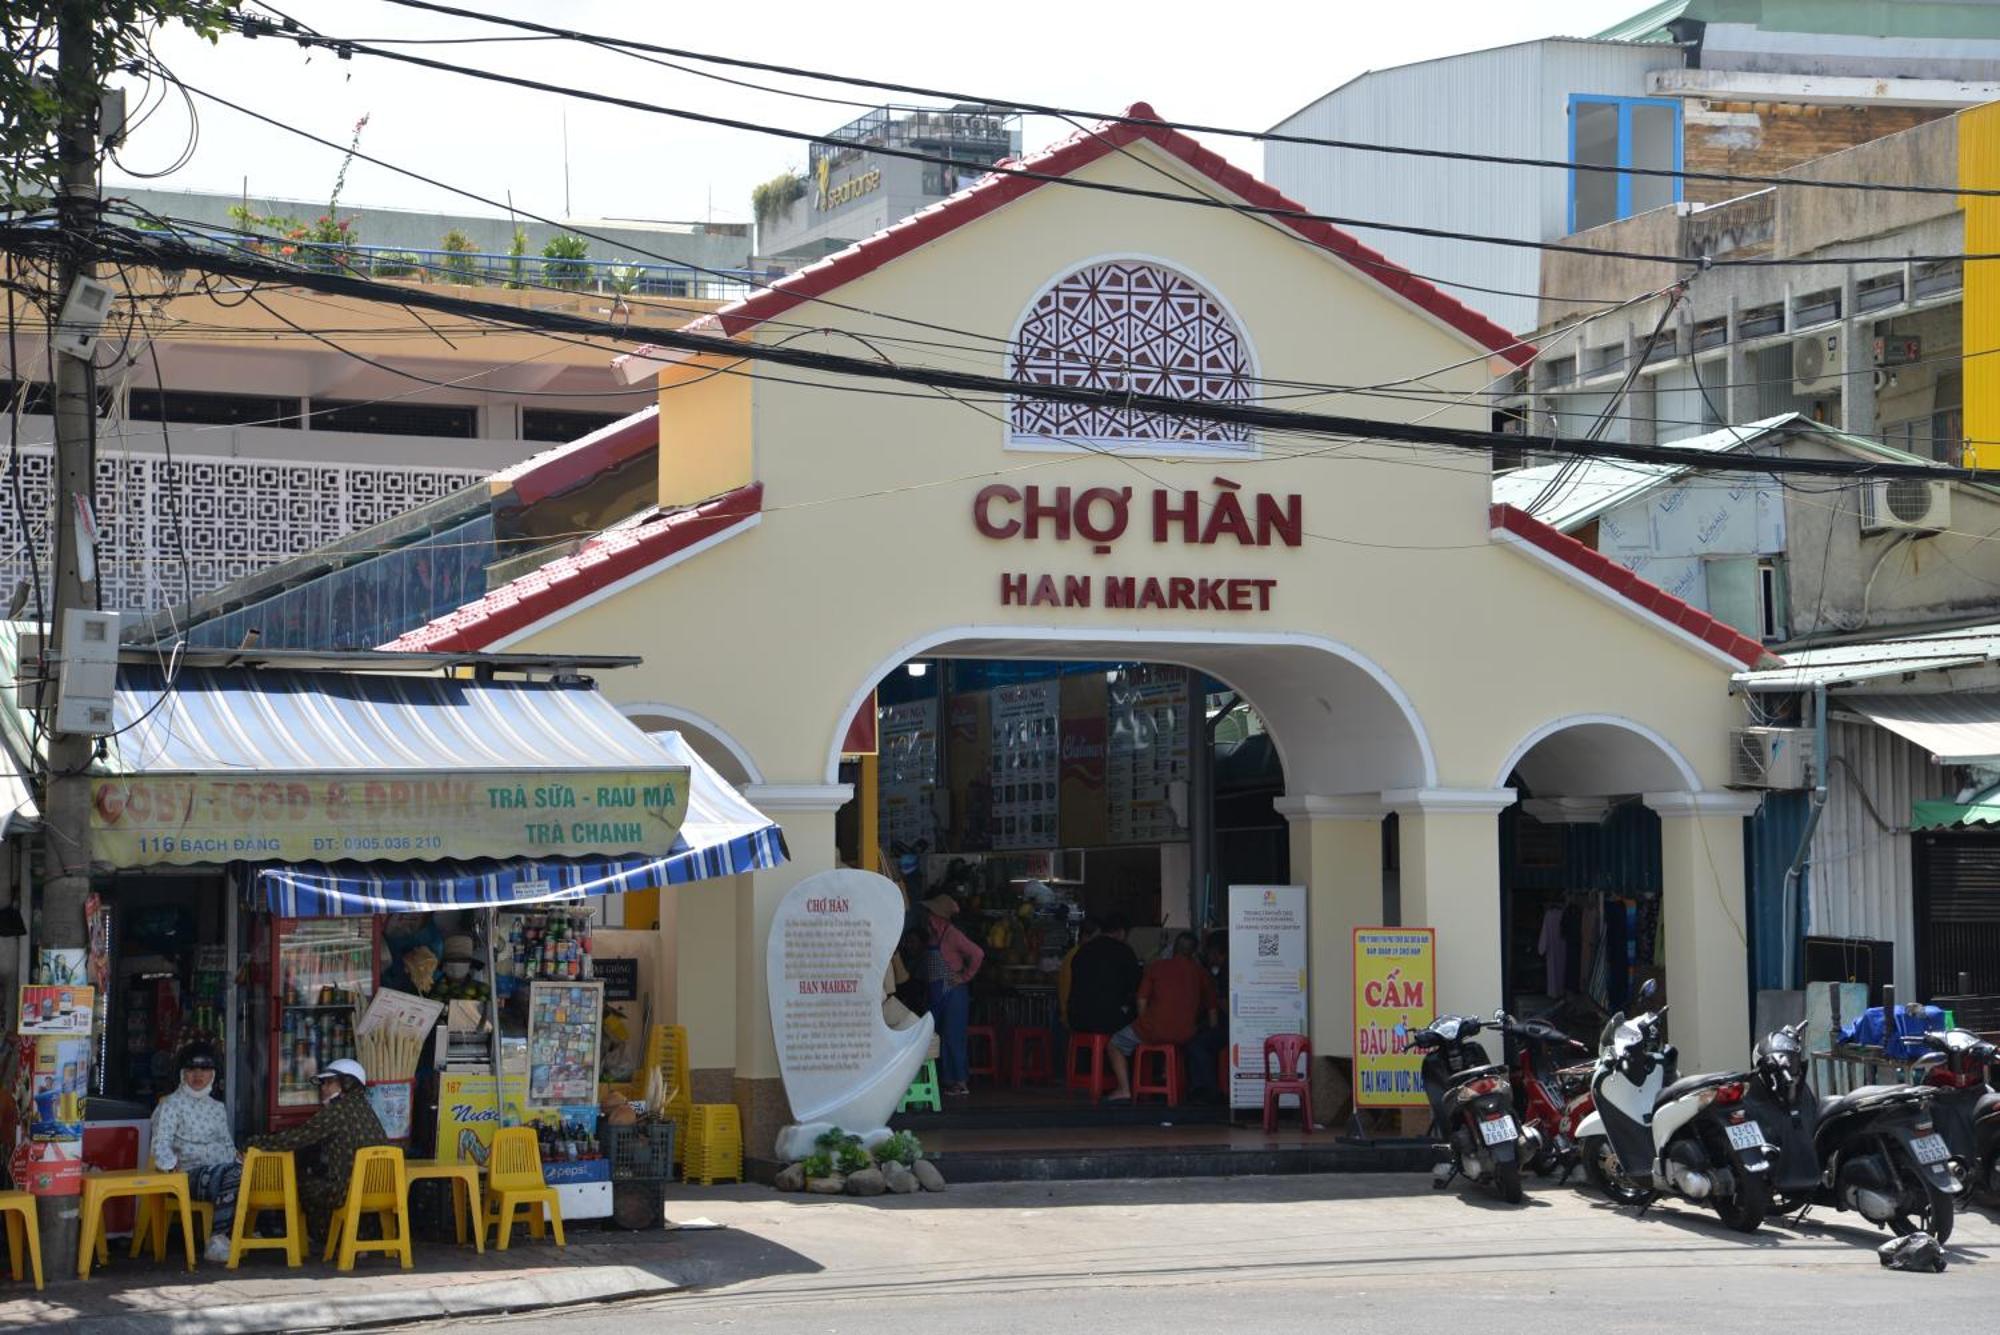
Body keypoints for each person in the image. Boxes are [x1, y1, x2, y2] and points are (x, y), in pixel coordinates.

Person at [245, 1058, 388, 1244]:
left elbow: (296, 1138)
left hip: (344, 1191)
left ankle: (318, 1238)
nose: (323, 1088)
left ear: (347, 1084)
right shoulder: (367, 1110)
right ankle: (354, 1236)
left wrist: (254, 1142)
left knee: (298, 1183)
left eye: (329, 1082)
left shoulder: (337, 1111)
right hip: (376, 1192)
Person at [149, 1043, 241, 1264]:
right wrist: (171, 1166)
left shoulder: (217, 1108)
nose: (198, 1075)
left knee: (244, 1172)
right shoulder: (171, 1105)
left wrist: (240, 1157)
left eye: (205, 1069)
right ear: (182, 1074)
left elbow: (227, 1145)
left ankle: (235, 1236)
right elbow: (160, 1144)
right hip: (187, 1175)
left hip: (223, 1171)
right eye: (191, 1070)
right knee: (235, 1176)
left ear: (213, 1074)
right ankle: (218, 1239)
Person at [1107, 932, 1220, 1103]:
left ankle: (1124, 1090)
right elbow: (1213, 1015)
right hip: (1186, 1034)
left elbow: (1141, 1000)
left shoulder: (1157, 967)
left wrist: (1144, 1023)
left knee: (1115, 1043)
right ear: (1194, 953)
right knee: (1177, 1046)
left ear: (1173, 948)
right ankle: (1168, 1074)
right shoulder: (1202, 973)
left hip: (1154, 1029)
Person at [1066, 914, 1142, 1094]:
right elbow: (1136, 987)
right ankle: (1125, 1080)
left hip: (1077, 1018)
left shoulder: (1082, 951)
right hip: (1108, 1019)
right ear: (1121, 933)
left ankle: (1091, 1074)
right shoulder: (1124, 951)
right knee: (1137, 1027)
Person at [921, 893, 985, 1097]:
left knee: (953, 1037)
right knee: (938, 1036)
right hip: (937, 993)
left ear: (938, 915)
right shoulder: (934, 935)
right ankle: (947, 1080)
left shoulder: (952, 934)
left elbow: (977, 953)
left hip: (953, 993)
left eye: (930, 912)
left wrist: (965, 976)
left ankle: (960, 1082)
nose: (927, 917)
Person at [1189, 931, 1230, 1102]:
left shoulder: (1226, 972)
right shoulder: (1223, 970)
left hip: (1231, 1028)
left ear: (1215, 951)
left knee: (1196, 1043)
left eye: (1208, 951)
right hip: (1231, 1026)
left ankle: (1208, 1090)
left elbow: (1224, 1005)